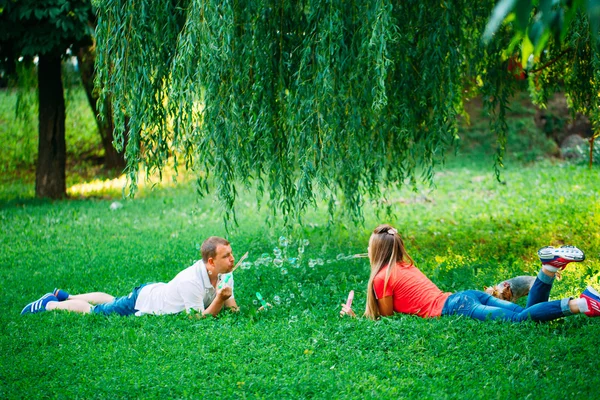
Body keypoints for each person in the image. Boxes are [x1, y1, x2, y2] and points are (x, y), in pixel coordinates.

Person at [340, 224, 600, 322]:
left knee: (521, 321)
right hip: (465, 295)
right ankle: (549, 268)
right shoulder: (405, 266)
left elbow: (385, 317)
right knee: (524, 315)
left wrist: (355, 318)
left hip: (456, 307)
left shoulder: (381, 277)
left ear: (376, 251)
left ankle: (582, 303)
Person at [21, 236, 238, 318]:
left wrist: (241, 310)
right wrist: (219, 299)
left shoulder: (224, 274)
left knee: (115, 301)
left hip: (155, 291)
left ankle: (68, 296)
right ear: (211, 262)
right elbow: (196, 319)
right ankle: (48, 304)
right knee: (95, 312)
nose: (232, 259)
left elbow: (231, 305)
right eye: (226, 255)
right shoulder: (192, 280)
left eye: (231, 254)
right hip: (146, 301)